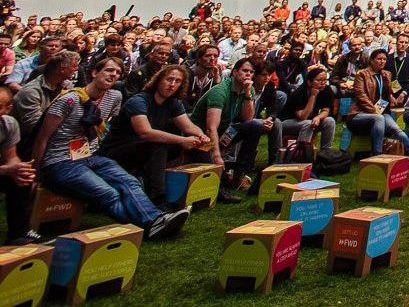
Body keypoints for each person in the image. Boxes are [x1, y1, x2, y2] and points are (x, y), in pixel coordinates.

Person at [31, 58, 190, 239]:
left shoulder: (113, 98)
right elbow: (41, 139)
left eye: (118, 73)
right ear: (94, 73)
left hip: (89, 157)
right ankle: (151, 223)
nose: (113, 75)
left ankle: (156, 220)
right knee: (108, 192)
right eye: (109, 70)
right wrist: (37, 174)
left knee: (130, 182)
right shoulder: (69, 100)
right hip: (60, 162)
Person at [100, 64, 210, 204]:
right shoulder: (139, 101)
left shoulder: (174, 103)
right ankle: (158, 198)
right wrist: (182, 140)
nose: (172, 84)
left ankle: (212, 186)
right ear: (159, 80)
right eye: (169, 79)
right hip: (118, 150)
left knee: (199, 144)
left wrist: (201, 135)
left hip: (144, 148)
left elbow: (188, 127)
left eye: (177, 81)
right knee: (159, 145)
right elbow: (145, 133)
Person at [191, 58, 273, 202]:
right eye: (244, 71)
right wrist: (217, 155)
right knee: (210, 159)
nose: (248, 74)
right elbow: (211, 128)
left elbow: (248, 118)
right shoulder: (220, 92)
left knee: (254, 126)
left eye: (251, 72)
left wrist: (247, 94)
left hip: (223, 133)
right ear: (234, 72)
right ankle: (219, 189)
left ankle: (239, 175)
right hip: (201, 136)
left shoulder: (249, 89)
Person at [351, 50, 409, 167]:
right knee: (379, 119)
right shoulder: (362, 74)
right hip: (360, 113)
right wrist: (374, 111)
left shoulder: (387, 74)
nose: (382, 61)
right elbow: (361, 96)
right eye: (379, 59)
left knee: (397, 129)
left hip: (381, 111)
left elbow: (394, 89)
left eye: (384, 59)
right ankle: (377, 156)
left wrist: (402, 94)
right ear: (371, 60)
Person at [0, 86, 39, 244]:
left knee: (22, 178)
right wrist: (6, 170)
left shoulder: (8, 125)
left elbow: (11, 157)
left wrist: (18, 169)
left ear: (8, 109)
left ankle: (18, 234)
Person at [278, 66, 337, 159]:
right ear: (309, 82)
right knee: (308, 124)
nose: (323, 83)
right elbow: (302, 116)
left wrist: (318, 117)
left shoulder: (326, 90)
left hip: (310, 120)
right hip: (288, 122)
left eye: (325, 80)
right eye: (319, 80)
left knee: (330, 121)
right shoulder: (299, 92)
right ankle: (302, 155)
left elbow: (326, 110)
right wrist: (313, 96)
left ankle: (326, 153)